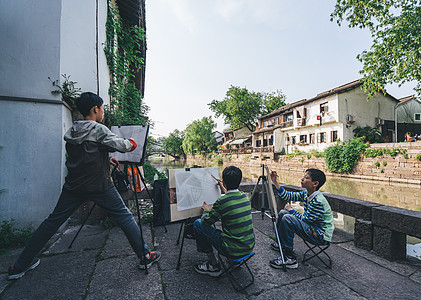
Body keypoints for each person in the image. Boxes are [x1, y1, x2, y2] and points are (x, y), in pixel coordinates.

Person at [7, 92, 160, 280]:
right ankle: (145, 255)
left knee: (52, 222)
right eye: (102, 108)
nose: (103, 112)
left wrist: (105, 159)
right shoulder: (98, 129)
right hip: (99, 186)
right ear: (95, 109)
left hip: (74, 187)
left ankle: (20, 264)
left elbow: (85, 156)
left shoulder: (72, 131)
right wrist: (133, 141)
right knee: (125, 217)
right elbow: (124, 146)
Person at [193, 166, 255, 277]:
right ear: (239, 181)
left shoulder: (222, 201)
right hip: (248, 247)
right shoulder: (245, 197)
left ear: (224, 182)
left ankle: (213, 264)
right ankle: (235, 261)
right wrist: (224, 188)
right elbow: (231, 199)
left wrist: (207, 211)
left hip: (231, 249)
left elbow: (206, 222)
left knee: (198, 223)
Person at [268, 168, 334, 269]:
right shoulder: (306, 194)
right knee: (282, 213)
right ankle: (281, 244)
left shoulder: (318, 201)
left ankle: (290, 258)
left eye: (306, 178)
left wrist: (291, 210)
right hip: (311, 228)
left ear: (315, 183)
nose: (302, 179)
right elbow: (287, 196)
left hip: (320, 235)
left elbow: (306, 219)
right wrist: (275, 181)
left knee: (288, 218)